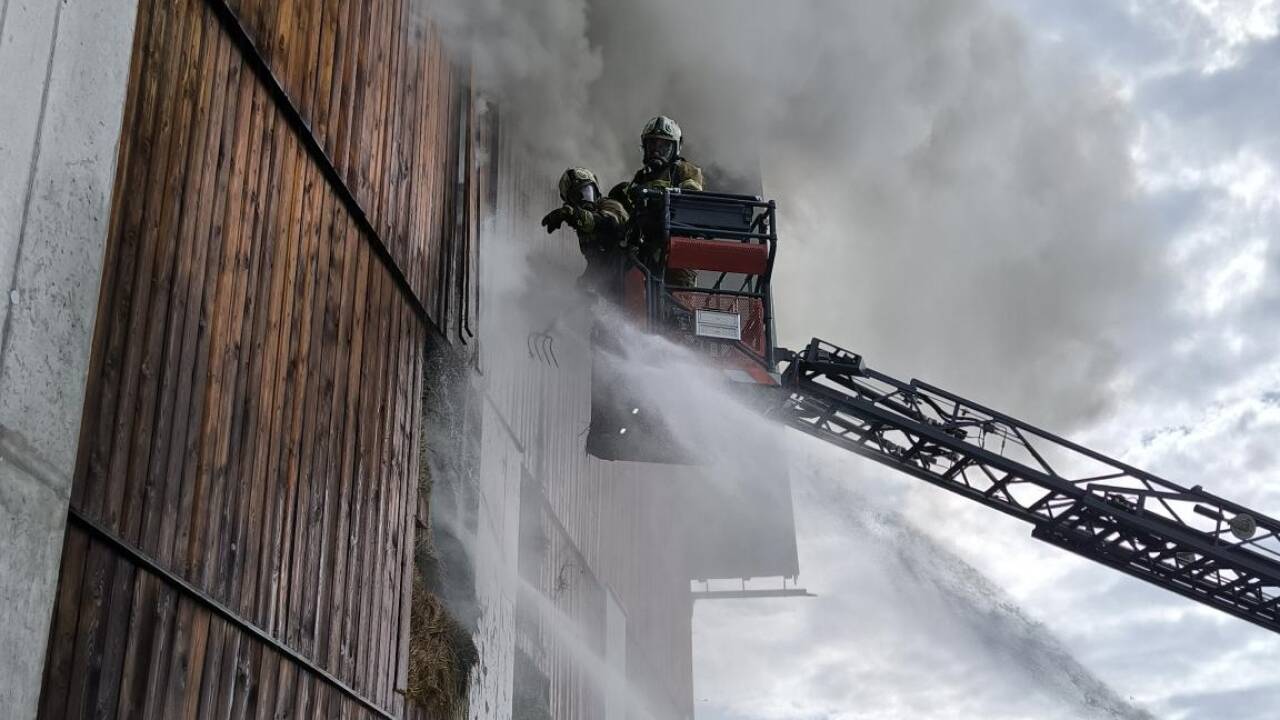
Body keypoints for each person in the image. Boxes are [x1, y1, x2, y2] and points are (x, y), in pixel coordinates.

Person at [611, 116, 704, 287]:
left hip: (676, 245)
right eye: (652, 145)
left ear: (675, 148)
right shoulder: (642, 176)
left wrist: (658, 196)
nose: (656, 151)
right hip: (646, 244)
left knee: (678, 297)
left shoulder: (685, 170)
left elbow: (690, 199)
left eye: (663, 146)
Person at [541, 167, 631, 297]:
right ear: (570, 201)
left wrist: (572, 214)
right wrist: (585, 283)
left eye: (588, 193)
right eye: (578, 197)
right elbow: (597, 261)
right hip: (612, 282)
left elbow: (609, 224)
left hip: (628, 277)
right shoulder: (583, 226)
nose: (585, 201)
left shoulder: (611, 205)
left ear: (597, 191)